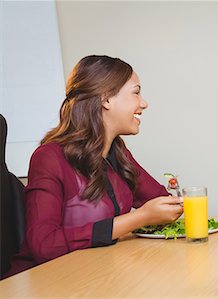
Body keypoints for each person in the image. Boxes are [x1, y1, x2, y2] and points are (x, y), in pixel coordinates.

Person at [6, 55, 184, 277]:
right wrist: (138, 218)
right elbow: (43, 244)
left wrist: (168, 206)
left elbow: (160, 202)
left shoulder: (117, 153)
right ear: (106, 98)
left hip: (98, 275)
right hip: (47, 282)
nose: (144, 103)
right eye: (136, 92)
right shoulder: (49, 157)